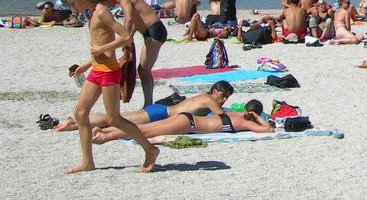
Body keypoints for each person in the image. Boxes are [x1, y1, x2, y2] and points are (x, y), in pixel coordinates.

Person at [62, 0, 158, 174]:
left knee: (114, 119)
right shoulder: (92, 14)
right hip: (97, 70)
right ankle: (87, 161)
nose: (72, 7)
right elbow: (99, 49)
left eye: (73, 3)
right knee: (81, 113)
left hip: (108, 72)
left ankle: (150, 149)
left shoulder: (101, 13)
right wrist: (84, 66)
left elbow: (125, 36)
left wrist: (101, 49)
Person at [54, 81, 234, 132]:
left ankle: (76, 123)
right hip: (161, 114)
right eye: (223, 95)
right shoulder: (209, 100)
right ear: (214, 91)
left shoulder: (204, 98)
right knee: (115, 119)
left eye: (226, 97)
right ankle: (75, 123)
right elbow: (223, 117)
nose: (224, 100)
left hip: (159, 111)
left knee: (116, 119)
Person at [97, 0, 168, 108]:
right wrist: (130, 36)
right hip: (152, 32)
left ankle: (148, 104)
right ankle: (148, 103)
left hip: (154, 31)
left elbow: (129, 19)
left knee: (143, 70)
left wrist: (125, 39)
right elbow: (136, 19)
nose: (106, 7)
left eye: (104, 3)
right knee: (144, 70)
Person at [93, 100, 273, 144]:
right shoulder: (244, 122)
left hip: (186, 117)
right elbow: (267, 130)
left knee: (144, 128)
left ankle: (106, 131)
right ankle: (105, 137)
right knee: (146, 132)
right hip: (190, 125)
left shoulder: (233, 112)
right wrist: (257, 118)